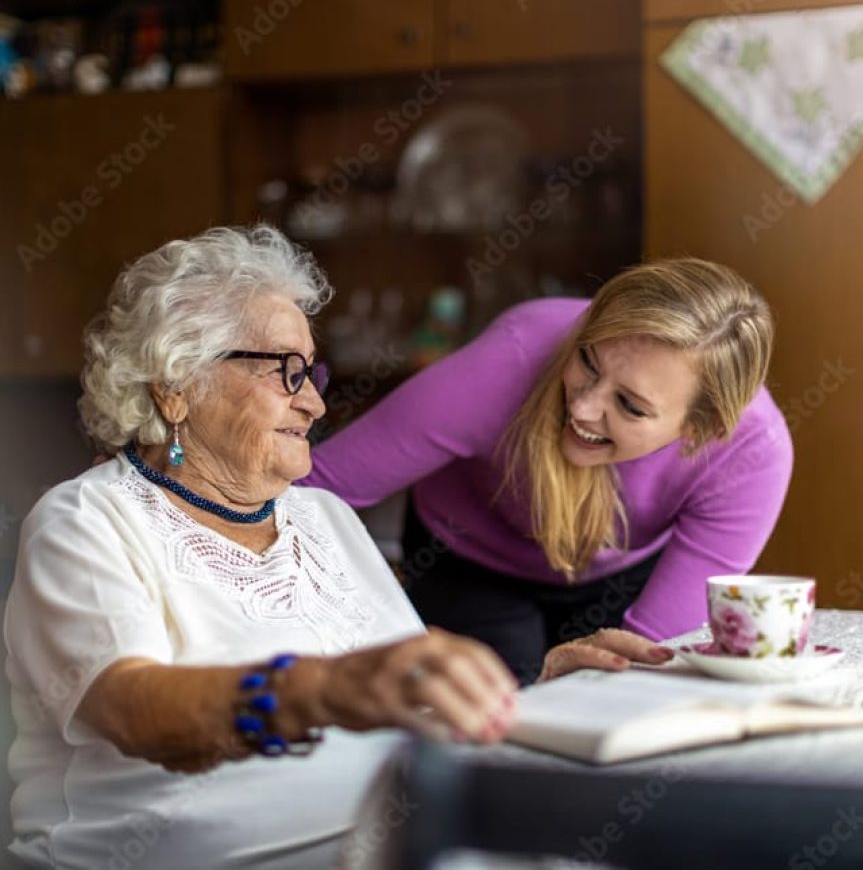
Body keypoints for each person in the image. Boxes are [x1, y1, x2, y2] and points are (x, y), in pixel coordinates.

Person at [4, 225, 671, 870]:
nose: (316, 408)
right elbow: (134, 709)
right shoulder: (87, 521)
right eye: (285, 373)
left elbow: (403, 685)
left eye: (311, 375)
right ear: (176, 389)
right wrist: (320, 688)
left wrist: (531, 688)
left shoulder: (322, 518)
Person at [302, 258, 793, 684]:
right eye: (588, 361)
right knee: (494, 710)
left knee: (616, 700)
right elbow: (312, 488)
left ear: (700, 429)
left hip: (619, 572)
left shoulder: (753, 453)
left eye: (629, 405)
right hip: (467, 557)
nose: (582, 407)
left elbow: (651, 657)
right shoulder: (512, 357)